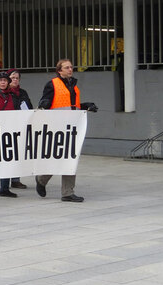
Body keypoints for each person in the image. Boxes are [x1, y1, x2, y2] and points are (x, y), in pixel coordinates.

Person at [35, 59, 97, 202]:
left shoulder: (73, 86)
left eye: (71, 67)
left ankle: (67, 192)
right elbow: (45, 103)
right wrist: (44, 104)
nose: (70, 69)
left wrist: (85, 106)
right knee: (58, 158)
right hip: (57, 128)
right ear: (59, 70)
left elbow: (71, 106)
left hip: (72, 127)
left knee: (70, 159)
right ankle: (41, 179)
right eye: (66, 67)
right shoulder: (52, 84)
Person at [7, 68, 33, 190]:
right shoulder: (4, 92)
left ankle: (15, 180)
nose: (15, 80)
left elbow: (29, 107)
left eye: (17, 78)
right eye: (13, 78)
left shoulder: (23, 93)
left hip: (21, 126)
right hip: (7, 126)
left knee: (18, 153)